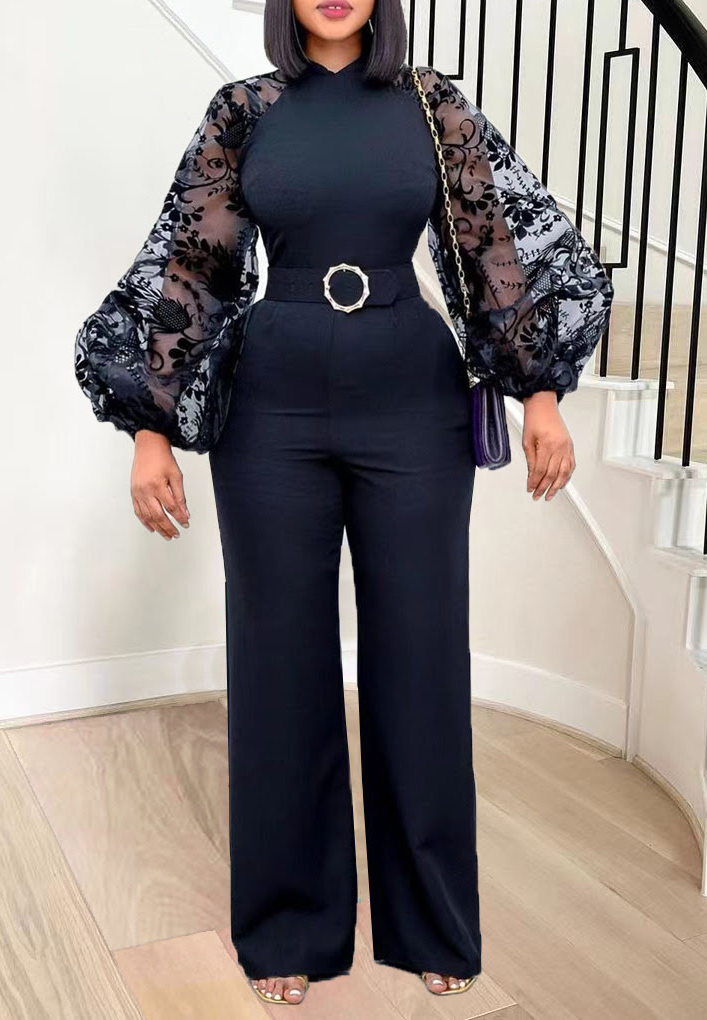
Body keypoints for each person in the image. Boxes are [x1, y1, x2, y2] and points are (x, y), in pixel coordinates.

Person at [74, 0, 613, 1006]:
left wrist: (539, 392)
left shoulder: (432, 104)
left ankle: (433, 924)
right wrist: (150, 426)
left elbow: (497, 247)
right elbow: (191, 263)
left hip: (413, 404)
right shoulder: (244, 109)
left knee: (422, 655)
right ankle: (289, 927)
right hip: (269, 410)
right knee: (278, 659)